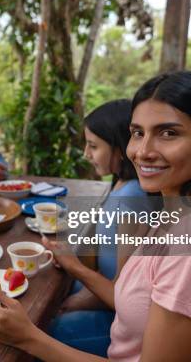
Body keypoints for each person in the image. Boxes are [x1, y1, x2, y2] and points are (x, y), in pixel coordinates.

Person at [0, 71, 191, 361]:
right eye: (137, 133)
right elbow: (133, 298)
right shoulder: (176, 215)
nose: (143, 152)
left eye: (168, 133)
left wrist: (28, 336)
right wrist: (74, 267)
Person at [47, 100, 147, 357]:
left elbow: (122, 293)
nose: (86, 153)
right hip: (104, 290)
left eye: (93, 146)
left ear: (121, 148)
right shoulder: (121, 183)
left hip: (118, 314)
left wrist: (74, 298)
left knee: (50, 326)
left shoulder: (133, 198)